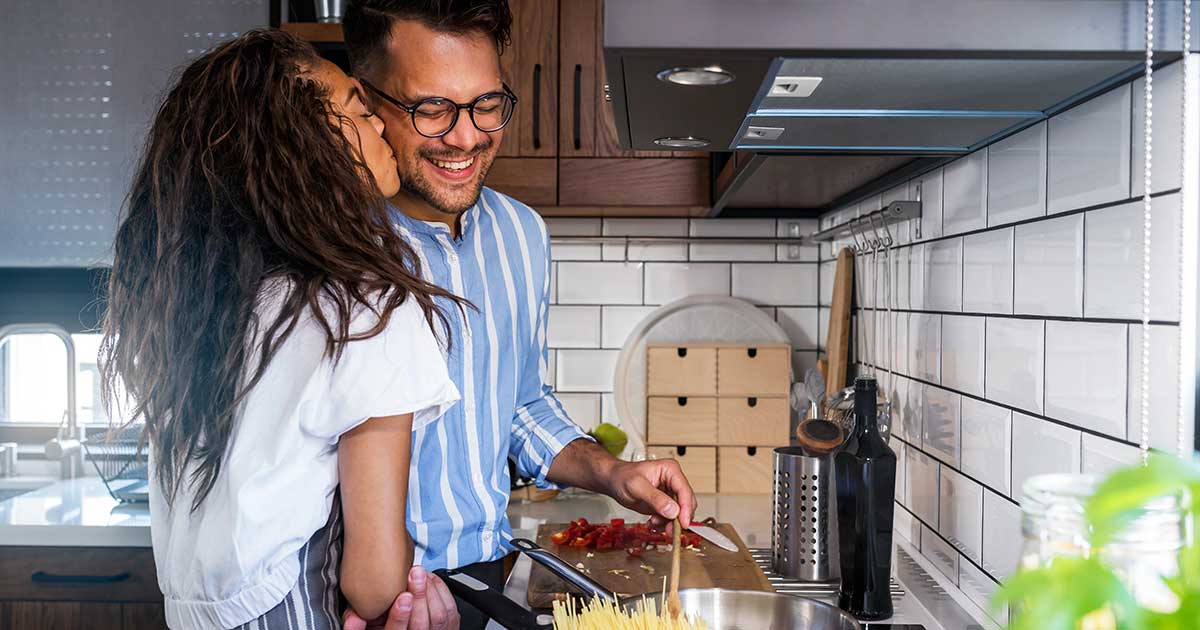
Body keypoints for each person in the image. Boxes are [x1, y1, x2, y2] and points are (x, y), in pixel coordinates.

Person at [340, 2, 698, 628]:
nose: (467, 137)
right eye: (431, 109)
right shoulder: (329, 242)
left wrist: (614, 473)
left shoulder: (520, 234)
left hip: (487, 576)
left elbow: (522, 407)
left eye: (486, 104)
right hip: (366, 602)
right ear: (368, 103)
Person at [101, 29, 465, 629]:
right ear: (305, 145)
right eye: (356, 106)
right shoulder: (364, 305)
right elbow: (373, 583)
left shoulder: (205, 309)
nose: (378, 123)